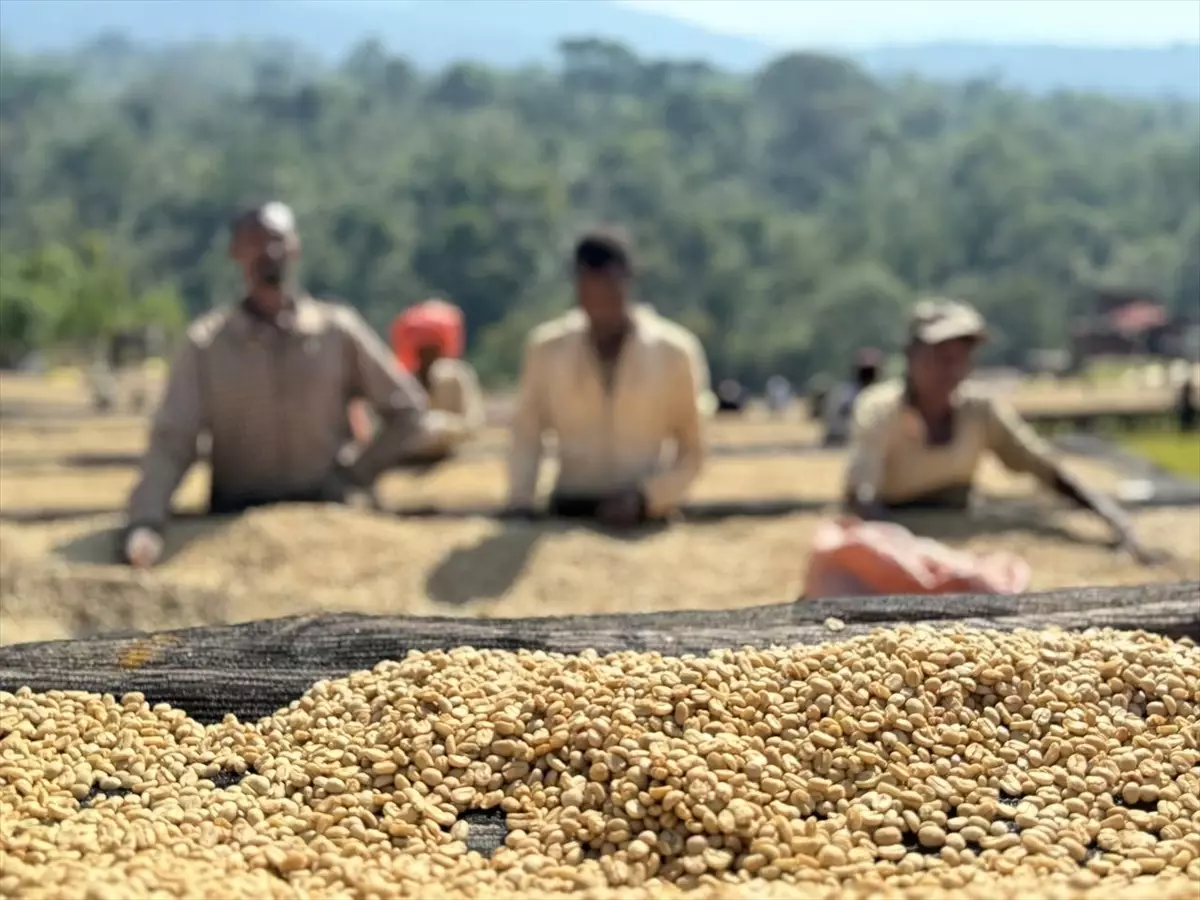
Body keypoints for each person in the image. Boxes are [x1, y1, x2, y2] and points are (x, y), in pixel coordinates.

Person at [123, 201, 444, 569]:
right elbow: (172, 440)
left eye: (277, 240)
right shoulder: (207, 345)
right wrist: (145, 522)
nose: (268, 251)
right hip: (236, 529)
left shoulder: (337, 331)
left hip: (329, 525)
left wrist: (355, 474)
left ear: (295, 246)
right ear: (235, 252)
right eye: (255, 241)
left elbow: (407, 409)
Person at [844, 298, 1159, 563]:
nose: (950, 369)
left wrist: (1115, 521)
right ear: (911, 356)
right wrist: (900, 549)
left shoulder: (979, 411)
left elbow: (1043, 466)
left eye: (960, 358)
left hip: (959, 517)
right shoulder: (880, 410)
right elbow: (863, 497)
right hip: (895, 521)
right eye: (939, 357)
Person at [506, 229, 710, 527]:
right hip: (568, 509)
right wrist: (520, 502)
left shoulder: (675, 351)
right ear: (578, 288)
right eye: (592, 290)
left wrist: (648, 497)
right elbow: (526, 434)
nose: (601, 303)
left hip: (644, 516)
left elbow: (693, 451)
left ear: (628, 281)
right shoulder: (545, 349)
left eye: (609, 289)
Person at [349, 299, 485, 458]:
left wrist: (443, 426)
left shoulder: (455, 376)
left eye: (431, 347)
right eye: (421, 348)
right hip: (405, 457)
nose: (427, 354)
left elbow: (472, 423)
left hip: (449, 455)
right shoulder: (400, 379)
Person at [822, 348, 884, 447]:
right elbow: (836, 423)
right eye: (866, 371)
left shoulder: (885, 397)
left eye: (870, 371)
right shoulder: (846, 395)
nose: (867, 375)